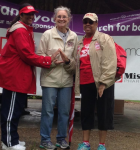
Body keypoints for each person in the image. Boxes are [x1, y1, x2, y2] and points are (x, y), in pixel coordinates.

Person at [0, 3, 59, 150]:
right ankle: (8, 143)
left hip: (18, 77)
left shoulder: (24, 30)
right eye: (28, 14)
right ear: (21, 15)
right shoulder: (20, 31)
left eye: (33, 14)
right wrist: (49, 60)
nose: (31, 16)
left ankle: (13, 140)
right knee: (10, 112)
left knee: (16, 110)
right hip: (14, 77)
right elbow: (27, 55)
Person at [37, 6, 78, 150]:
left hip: (66, 80)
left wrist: (67, 61)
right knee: (48, 111)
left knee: (64, 112)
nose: (61, 19)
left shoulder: (74, 36)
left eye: (64, 17)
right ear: (54, 19)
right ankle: (45, 140)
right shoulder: (47, 34)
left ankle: (61, 139)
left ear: (69, 19)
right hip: (49, 79)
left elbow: (75, 62)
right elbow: (40, 57)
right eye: (59, 16)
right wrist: (51, 62)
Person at [75, 13, 117, 150]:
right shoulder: (80, 42)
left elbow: (110, 61)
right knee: (86, 112)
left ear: (96, 24)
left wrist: (104, 82)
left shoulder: (104, 38)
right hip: (86, 82)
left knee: (103, 112)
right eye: (85, 21)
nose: (87, 24)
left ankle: (101, 145)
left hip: (102, 82)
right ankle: (85, 143)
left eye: (91, 22)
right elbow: (78, 63)